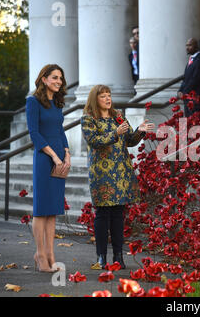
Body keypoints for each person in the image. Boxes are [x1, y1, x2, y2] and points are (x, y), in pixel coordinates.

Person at [80, 85, 154, 269]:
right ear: (95, 99)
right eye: (103, 96)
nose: (107, 99)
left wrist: (140, 130)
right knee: (103, 214)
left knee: (118, 215)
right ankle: (101, 257)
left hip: (120, 172)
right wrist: (115, 133)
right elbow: (94, 141)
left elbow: (130, 140)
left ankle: (118, 257)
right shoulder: (89, 119)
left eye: (109, 95)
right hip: (102, 174)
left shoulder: (118, 116)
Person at [26, 64, 71, 273]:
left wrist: (67, 153)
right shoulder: (33, 101)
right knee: (41, 209)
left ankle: (52, 254)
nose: (58, 82)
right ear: (43, 79)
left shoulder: (57, 102)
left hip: (60, 158)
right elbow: (34, 133)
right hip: (45, 158)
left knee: (53, 210)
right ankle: (40, 254)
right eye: (54, 78)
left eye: (60, 78)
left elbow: (60, 130)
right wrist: (53, 155)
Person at [177, 38, 200, 117]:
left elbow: (195, 79)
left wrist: (184, 92)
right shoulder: (191, 59)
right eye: (186, 45)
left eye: (190, 45)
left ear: (196, 47)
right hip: (188, 98)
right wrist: (180, 90)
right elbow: (185, 78)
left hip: (195, 98)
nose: (187, 47)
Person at [128, 27, 139, 95]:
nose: (132, 44)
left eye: (134, 43)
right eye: (131, 43)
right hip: (135, 77)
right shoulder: (130, 56)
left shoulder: (139, 52)